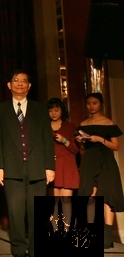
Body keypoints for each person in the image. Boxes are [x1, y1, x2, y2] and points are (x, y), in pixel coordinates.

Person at [0, 70, 54, 257]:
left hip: (37, 167)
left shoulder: (39, 108)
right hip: (11, 169)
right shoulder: (0, 110)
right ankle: (19, 251)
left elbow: (47, 138)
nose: (20, 83)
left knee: (37, 211)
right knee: (15, 211)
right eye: (16, 80)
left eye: (24, 81)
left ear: (29, 86)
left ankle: (36, 250)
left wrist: (49, 166)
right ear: (9, 85)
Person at [75, 92, 123, 249]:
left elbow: (116, 146)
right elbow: (82, 149)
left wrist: (100, 139)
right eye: (88, 103)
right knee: (89, 194)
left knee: (107, 195)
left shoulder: (108, 123)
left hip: (105, 162)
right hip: (89, 161)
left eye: (94, 103)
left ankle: (107, 237)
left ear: (101, 104)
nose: (91, 106)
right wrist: (81, 141)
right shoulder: (83, 124)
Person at [47, 97, 79, 234]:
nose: (53, 113)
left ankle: (66, 230)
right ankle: (55, 231)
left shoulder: (70, 126)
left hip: (66, 164)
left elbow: (76, 149)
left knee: (66, 201)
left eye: (56, 110)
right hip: (51, 165)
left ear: (62, 110)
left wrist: (64, 140)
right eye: (51, 110)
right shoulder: (44, 126)